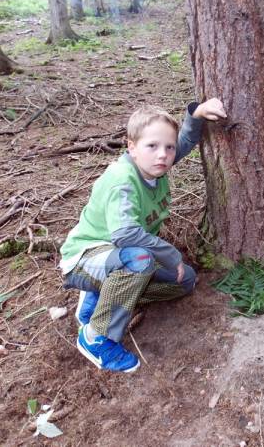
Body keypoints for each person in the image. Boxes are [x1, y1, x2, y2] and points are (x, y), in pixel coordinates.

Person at [59, 98, 227, 372]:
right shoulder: (122, 180)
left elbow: (184, 141)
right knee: (139, 260)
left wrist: (196, 115)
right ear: (132, 147)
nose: (163, 154)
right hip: (86, 257)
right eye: (152, 146)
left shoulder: (154, 166)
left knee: (184, 281)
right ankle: (96, 338)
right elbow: (125, 234)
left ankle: (103, 297)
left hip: (122, 258)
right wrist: (171, 255)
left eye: (168, 147)